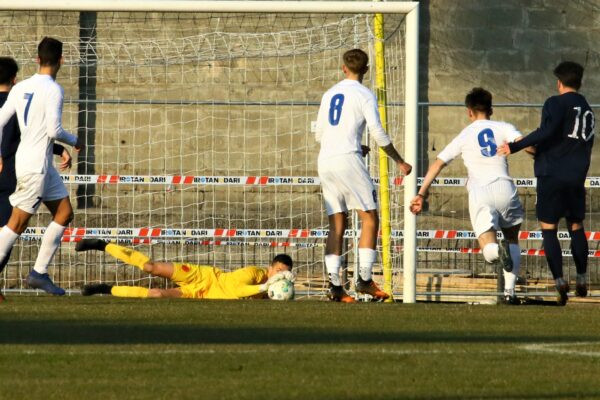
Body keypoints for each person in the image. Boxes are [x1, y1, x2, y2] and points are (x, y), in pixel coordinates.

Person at [410, 88, 529, 304]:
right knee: (512, 239)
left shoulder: (465, 135)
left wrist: (421, 193)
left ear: (469, 112)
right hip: (505, 187)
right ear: (491, 109)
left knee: (487, 248)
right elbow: (527, 145)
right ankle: (510, 293)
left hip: (481, 192)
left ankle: (496, 250)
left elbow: (438, 163)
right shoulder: (503, 127)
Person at [315, 48, 412, 303]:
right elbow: (378, 132)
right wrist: (399, 160)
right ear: (366, 70)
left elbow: (319, 134)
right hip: (348, 160)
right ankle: (364, 280)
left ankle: (335, 286)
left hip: (325, 160)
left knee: (337, 223)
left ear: (343, 68)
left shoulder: (329, 94)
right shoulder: (365, 94)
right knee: (370, 219)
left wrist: (355, 145)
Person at [498, 61, 595, 306]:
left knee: (549, 228)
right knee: (576, 226)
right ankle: (583, 276)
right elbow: (570, 142)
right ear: (579, 82)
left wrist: (515, 146)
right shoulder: (587, 109)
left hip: (552, 175)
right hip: (576, 177)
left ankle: (560, 280)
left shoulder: (554, 102)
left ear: (559, 82)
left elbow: (547, 130)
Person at [0, 38, 83, 296]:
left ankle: (39, 273)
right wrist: (75, 140)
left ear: (37, 59)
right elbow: (53, 130)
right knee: (16, 223)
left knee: (64, 212)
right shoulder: (54, 89)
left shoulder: (21, 86)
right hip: (35, 166)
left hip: (41, 164)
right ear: (61, 60)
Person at [75, 239, 294, 299]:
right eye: (278, 271)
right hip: (204, 275)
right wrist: (264, 287)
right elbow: (236, 290)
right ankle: (101, 245)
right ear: (270, 268)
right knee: (151, 267)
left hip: (203, 293)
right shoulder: (255, 274)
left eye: (283, 273)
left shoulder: (270, 291)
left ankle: (104, 289)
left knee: (158, 294)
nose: (279, 276)